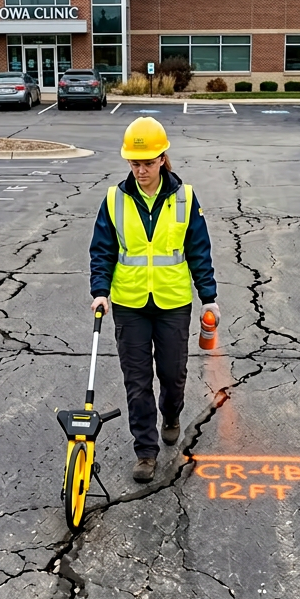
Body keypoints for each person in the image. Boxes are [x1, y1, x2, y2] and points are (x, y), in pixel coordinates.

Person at [90, 117, 219, 483]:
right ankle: (145, 451)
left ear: (163, 158)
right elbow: (102, 250)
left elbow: (199, 250)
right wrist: (100, 291)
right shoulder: (115, 199)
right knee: (137, 380)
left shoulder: (185, 198)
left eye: (147, 162)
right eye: (135, 162)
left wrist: (209, 297)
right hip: (130, 303)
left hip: (172, 302)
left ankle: (173, 414)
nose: (141, 169)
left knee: (173, 374)